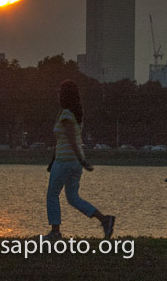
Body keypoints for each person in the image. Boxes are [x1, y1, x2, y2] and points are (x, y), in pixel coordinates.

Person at [46, 79, 115, 240]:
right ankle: (105, 220)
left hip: (65, 162)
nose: (57, 95)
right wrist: (53, 161)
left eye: (59, 92)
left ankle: (55, 232)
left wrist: (82, 161)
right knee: (73, 198)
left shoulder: (66, 115)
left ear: (64, 95)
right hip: (70, 162)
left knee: (52, 195)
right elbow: (62, 141)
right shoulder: (75, 116)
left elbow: (71, 141)